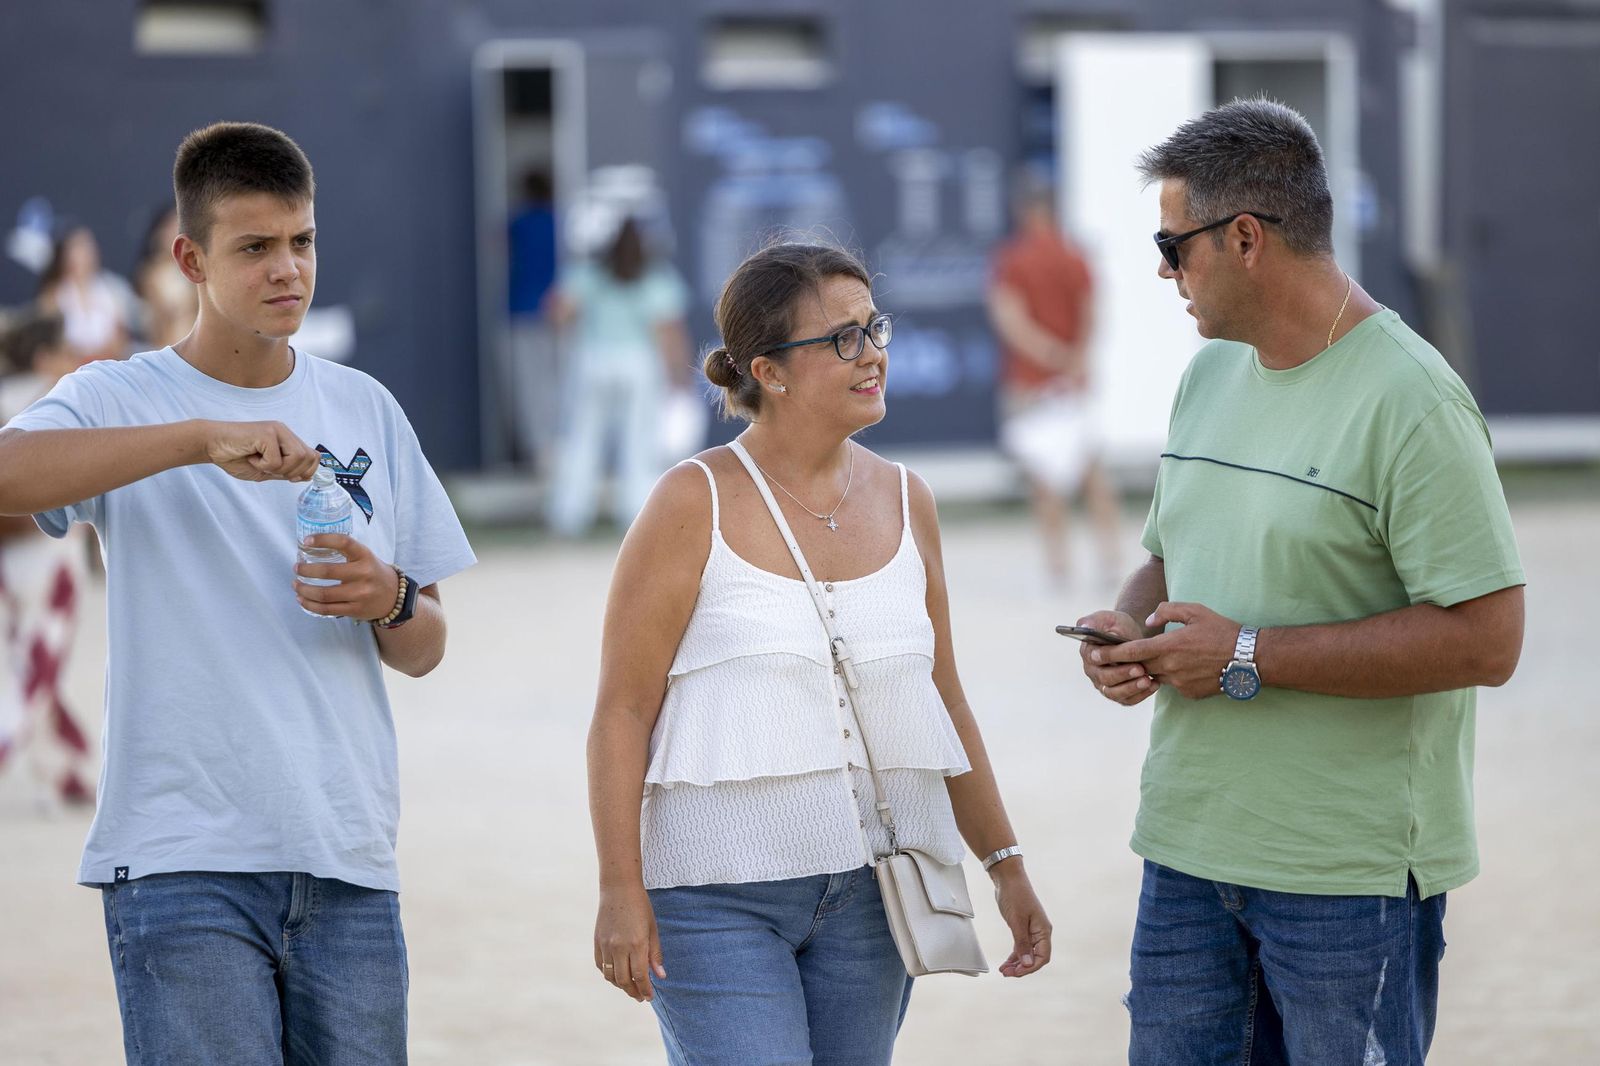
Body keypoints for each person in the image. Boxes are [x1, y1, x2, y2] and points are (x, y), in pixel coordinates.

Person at [0, 122, 476, 1065]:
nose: (287, 269)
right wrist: (196, 438)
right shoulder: (120, 395)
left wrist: (389, 598)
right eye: (254, 247)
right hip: (182, 863)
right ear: (189, 259)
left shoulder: (365, 407)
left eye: (301, 241)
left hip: (347, 859)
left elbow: (426, 647)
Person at [1075, 99, 1525, 1065]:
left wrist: (1242, 655)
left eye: (1172, 243)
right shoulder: (1210, 374)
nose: (1164, 270)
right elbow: (1168, 552)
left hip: (1346, 876)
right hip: (1187, 853)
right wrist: (1127, 620)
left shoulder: (1414, 399)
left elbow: (1489, 641)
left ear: (1244, 238)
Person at [587, 240, 1052, 1065]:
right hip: (714, 896)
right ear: (767, 371)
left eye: (875, 329)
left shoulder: (911, 500)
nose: (872, 354)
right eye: (843, 338)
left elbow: (945, 699)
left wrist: (1005, 864)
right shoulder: (689, 502)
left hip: (878, 892)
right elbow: (622, 711)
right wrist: (620, 888)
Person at [987, 175, 1121, 589]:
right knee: (1092, 473)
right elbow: (1092, 312)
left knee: (1045, 481)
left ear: (1024, 211)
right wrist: (1075, 359)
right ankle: (1110, 562)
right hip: (1072, 383)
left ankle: (1058, 569)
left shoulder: (1012, 259)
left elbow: (1011, 321)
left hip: (1031, 385)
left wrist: (1050, 357)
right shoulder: (1074, 255)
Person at [545, 215, 691, 535]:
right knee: (639, 442)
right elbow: (668, 332)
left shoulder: (589, 272)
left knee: (582, 438)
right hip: (638, 362)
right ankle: (637, 515)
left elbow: (558, 312)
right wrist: (679, 375)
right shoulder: (656, 275)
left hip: (593, 359)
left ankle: (568, 516)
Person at [0, 311, 93, 807]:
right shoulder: (58, 403)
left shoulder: (7, 398)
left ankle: (62, 774)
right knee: (38, 669)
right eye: (63, 349)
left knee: (34, 665)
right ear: (44, 357)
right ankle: (10, 745)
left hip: (13, 560)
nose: (72, 358)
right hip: (50, 555)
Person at [506, 168, 559, 470]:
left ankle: (541, 453)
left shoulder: (518, 222)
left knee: (530, 385)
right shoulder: (560, 221)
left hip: (523, 310)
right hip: (556, 314)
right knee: (555, 383)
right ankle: (554, 450)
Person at [36, 224, 132, 363]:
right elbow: (50, 345)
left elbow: (121, 339)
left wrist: (98, 358)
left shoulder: (114, 289)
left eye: (87, 248)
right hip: (67, 369)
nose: (84, 255)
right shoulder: (53, 295)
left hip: (108, 365)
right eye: (76, 248)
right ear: (64, 255)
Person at [134, 206, 199, 349]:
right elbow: (159, 318)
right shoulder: (151, 274)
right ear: (159, 235)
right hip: (166, 344)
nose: (174, 234)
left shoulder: (195, 268)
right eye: (170, 228)